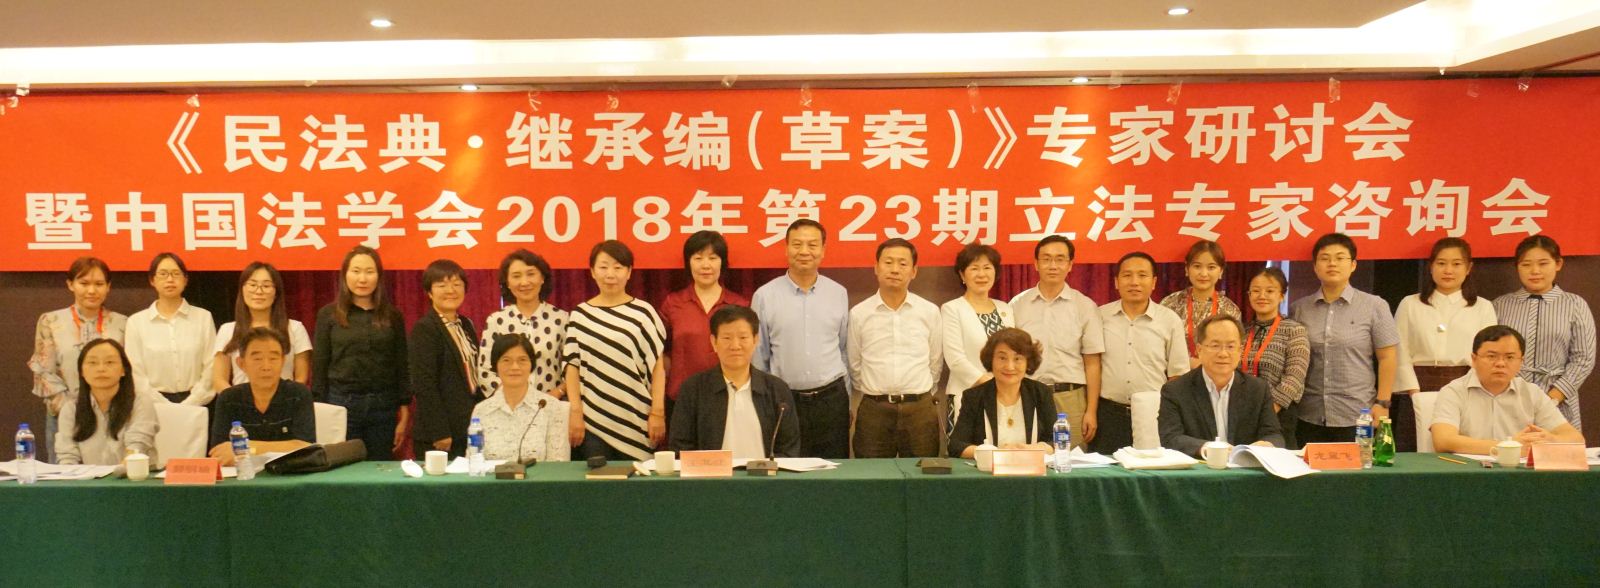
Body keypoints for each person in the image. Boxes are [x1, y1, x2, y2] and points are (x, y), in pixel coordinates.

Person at [752, 219, 851, 459]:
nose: (804, 251)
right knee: (786, 469)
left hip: (831, 400)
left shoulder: (838, 293)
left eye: (812, 245)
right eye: (797, 244)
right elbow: (758, 356)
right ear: (786, 249)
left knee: (834, 470)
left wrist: (846, 399)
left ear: (823, 250)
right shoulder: (764, 296)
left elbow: (843, 349)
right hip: (784, 400)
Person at [1288, 233, 1399, 445]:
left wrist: (1383, 402)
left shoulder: (1374, 306)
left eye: (1340, 258)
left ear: (1353, 265)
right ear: (1315, 266)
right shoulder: (1299, 308)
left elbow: (1388, 358)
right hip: (1309, 413)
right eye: (1325, 258)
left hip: (1357, 413)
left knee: (1357, 467)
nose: (1332, 263)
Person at [563, 240, 667, 461]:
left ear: (629, 272)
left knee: (638, 479)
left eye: (618, 267)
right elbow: (572, 366)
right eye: (603, 267)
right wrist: (575, 412)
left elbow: (658, 367)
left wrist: (657, 412)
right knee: (598, 479)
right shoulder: (581, 315)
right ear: (592, 272)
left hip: (637, 417)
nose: (610, 274)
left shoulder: (644, 313)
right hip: (593, 420)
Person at [1392, 238, 1497, 451]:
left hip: (1464, 385)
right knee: (1414, 448)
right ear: (1431, 266)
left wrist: (1470, 387)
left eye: (1456, 264)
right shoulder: (1410, 303)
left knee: (1460, 448)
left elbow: (1488, 353)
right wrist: (1413, 391)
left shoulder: (1482, 307)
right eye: (1441, 263)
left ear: (1468, 268)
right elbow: (1399, 349)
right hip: (1418, 385)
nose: (1448, 270)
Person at [849, 238, 943, 458]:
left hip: (920, 409)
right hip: (875, 411)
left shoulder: (929, 311)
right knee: (871, 474)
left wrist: (918, 394)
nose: (894, 269)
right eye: (888, 262)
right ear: (876, 267)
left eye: (902, 263)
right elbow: (854, 364)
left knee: (922, 473)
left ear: (914, 271)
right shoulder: (859, 313)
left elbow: (935, 362)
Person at [313, 246, 408, 461]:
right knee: (343, 468)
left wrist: (404, 408)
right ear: (345, 275)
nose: (362, 279)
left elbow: (402, 363)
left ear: (379, 277)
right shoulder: (328, 315)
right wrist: (319, 407)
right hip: (340, 404)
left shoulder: (393, 316)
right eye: (356, 271)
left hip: (383, 406)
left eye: (369, 271)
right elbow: (320, 364)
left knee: (379, 468)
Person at [29, 257, 128, 462]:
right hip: (64, 416)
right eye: (84, 283)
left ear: (108, 287)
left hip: (112, 416)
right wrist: (70, 410)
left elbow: (127, 370)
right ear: (70, 284)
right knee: (65, 477)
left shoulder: (122, 323)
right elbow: (44, 372)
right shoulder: (51, 321)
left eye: (99, 284)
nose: (91, 290)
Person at [1010, 235, 1104, 449]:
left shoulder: (1085, 306)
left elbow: (1092, 362)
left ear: (1070, 265)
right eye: (1046, 259)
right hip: (1027, 395)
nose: (1053, 265)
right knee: (1026, 457)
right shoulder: (1018, 304)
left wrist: (1091, 410)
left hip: (1070, 398)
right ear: (1036, 264)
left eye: (1060, 259)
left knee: (1070, 460)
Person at [669, 305, 801, 458]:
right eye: (727, 338)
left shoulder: (776, 389)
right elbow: (681, 447)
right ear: (714, 342)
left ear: (755, 340)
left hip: (765, 472)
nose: (735, 346)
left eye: (743, 338)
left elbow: (789, 448)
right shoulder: (693, 389)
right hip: (711, 473)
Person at [1431, 325, 1584, 455]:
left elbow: (1576, 439)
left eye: (1510, 357)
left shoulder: (1532, 393)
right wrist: (1508, 447)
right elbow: (1443, 440)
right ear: (1474, 359)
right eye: (1491, 356)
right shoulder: (1454, 391)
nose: (1500, 363)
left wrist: (1550, 439)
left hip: (1520, 473)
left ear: (1521, 361)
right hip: (1468, 472)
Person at [1493, 235, 1594, 430]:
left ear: (1558, 264)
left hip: (1559, 400)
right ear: (1517, 267)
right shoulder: (1500, 305)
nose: (1535, 271)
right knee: (1510, 447)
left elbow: (1583, 359)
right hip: (1509, 397)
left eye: (1543, 263)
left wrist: (1553, 397)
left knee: (1557, 448)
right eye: (1526, 264)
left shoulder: (1575, 304)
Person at [1093, 252, 1188, 453]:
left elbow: (1177, 375)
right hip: (1108, 414)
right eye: (1127, 275)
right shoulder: (1099, 316)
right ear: (1116, 282)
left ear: (1153, 282)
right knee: (1106, 469)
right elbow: (1091, 365)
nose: (1134, 282)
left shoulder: (1169, 320)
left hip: (1154, 413)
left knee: (1150, 468)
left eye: (1142, 275)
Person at [1159, 315, 1284, 457]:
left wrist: (1266, 444)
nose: (1223, 354)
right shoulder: (1175, 390)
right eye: (1215, 346)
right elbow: (1170, 437)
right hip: (1200, 467)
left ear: (1240, 351)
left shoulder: (1258, 389)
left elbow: (1274, 435)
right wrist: (1208, 448)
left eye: (1230, 346)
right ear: (1199, 350)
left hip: (1244, 467)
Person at [660, 230, 750, 424]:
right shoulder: (673, 303)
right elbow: (661, 353)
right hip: (682, 399)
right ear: (688, 263)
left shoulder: (739, 305)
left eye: (713, 258)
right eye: (698, 258)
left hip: (729, 398)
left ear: (722, 263)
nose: (706, 265)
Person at [209, 327, 316, 465]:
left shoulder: (298, 394)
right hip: (243, 473)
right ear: (241, 364)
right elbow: (220, 452)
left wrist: (248, 448)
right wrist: (281, 448)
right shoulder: (229, 399)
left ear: (283, 361)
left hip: (288, 473)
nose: (266, 366)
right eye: (257, 359)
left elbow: (306, 447)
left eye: (273, 358)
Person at [409, 260, 482, 459]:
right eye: (442, 285)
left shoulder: (466, 324)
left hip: (467, 426)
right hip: (440, 434)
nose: (451, 290)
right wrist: (440, 431)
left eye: (457, 284)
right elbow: (424, 384)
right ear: (429, 292)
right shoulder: (425, 328)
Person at [947, 328, 1058, 458]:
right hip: (990, 469)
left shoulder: (1041, 393)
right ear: (991, 360)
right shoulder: (974, 397)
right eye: (1002, 358)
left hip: (1032, 467)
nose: (1010, 366)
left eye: (1017, 358)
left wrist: (1036, 449)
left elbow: (1056, 441)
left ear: (1028, 362)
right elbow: (956, 446)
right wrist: (996, 453)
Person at [940, 243, 1014, 435]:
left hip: (1005, 398)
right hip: (967, 395)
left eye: (987, 268)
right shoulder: (952, 309)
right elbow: (955, 359)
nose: (981, 274)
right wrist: (992, 385)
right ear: (962, 275)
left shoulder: (1006, 308)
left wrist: (1005, 387)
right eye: (974, 268)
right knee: (966, 449)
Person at [125, 252, 216, 407]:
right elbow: (136, 373)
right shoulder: (136, 322)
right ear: (152, 280)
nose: (170, 279)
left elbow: (211, 366)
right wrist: (166, 406)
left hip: (198, 403)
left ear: (185, 280)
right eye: (163, 274)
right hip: (151, 405)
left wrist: (190, 403)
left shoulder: (203, 317)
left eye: (176, 274)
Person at [476, 249, 568, 402]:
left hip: (551, 403)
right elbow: (485, 371)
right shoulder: (496, 320)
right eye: (516, 276)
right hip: (509, 405)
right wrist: (515, 398)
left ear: (542, 278)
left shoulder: (561, 319)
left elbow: (573, 367)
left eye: (531, 274)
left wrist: (558, 392)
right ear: (507, 283)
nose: (524, 282)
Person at [212, 262, 312, 391]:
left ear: (276, 293)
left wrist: (284, 399)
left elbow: (301, 378)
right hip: (240, 401)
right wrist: (237, 400)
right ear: (242, 289)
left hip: (285, 400)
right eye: (252, 285)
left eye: (266, 286)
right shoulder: (227, 330)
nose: (259, 291)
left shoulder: (295, 328)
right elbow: (219, 380)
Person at [55, 339, 156, 466]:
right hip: (88, 478)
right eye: (92, 363)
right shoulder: (71, 409)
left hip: (133, 476)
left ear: (123, 370)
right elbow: (67, 456)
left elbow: (137, 449)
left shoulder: (140, 403)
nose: (101, 369)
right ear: (82, 372)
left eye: (110, 362)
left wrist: (115, 474)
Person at [473, 333, 570, 463]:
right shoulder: (481, 411)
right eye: (506, 360)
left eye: (522, 360)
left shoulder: (551, 407)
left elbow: (558, 465)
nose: (515, 367)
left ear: (531, 365)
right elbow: (473, 463)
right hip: (492, 477)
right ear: (496, 365)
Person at [1242, 267, 1310, 449]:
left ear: (1281, 296)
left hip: (1279, 414)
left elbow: (1295, 376)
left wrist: (1269, 410)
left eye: (1270, 291)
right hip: (1243, 413)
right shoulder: (1243, 331)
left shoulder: (1294, 330)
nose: (1262, 296)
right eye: (1256, 291)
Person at [1160, 240, 1243, 367]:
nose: (1203, 273)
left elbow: (1233, 352)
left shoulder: (1230, 310)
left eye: (1211, 267)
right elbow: (1158, 346)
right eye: (1197, 266)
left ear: (1221, 271)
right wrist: (1187, 363)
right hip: (1175, 374)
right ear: (1187, 269)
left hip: (1215, 374)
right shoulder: (1169, 304)